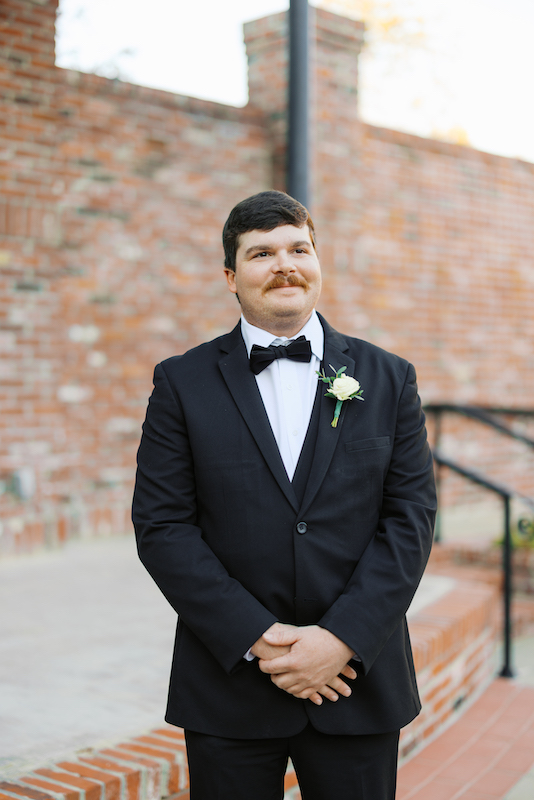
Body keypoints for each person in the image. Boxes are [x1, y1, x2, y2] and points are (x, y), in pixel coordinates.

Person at [132, 190, 436, 800]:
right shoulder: (181, 382)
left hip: (354, 679)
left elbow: (410, 520)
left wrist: (341, 639)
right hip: (231, 684)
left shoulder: (388, 377)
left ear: (318, 261)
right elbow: (163, 526)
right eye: (261, 252)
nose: (285, 264)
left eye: (299, 248)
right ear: (230, 276)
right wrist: (260, 639)